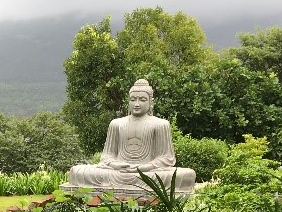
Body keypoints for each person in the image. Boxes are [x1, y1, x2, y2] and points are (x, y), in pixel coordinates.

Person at [62, 79, 196, 196]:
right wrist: (116, 165)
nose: (136, 104)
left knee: (186, 175)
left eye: (142, 100)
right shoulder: (116, 124)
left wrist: (145, 168)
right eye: (133, 100)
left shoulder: (161, 124)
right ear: (129, 102)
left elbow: (167, 159)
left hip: (148, 173)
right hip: (117, 173)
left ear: (151, 102)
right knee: (77, 171)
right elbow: (107, 157)